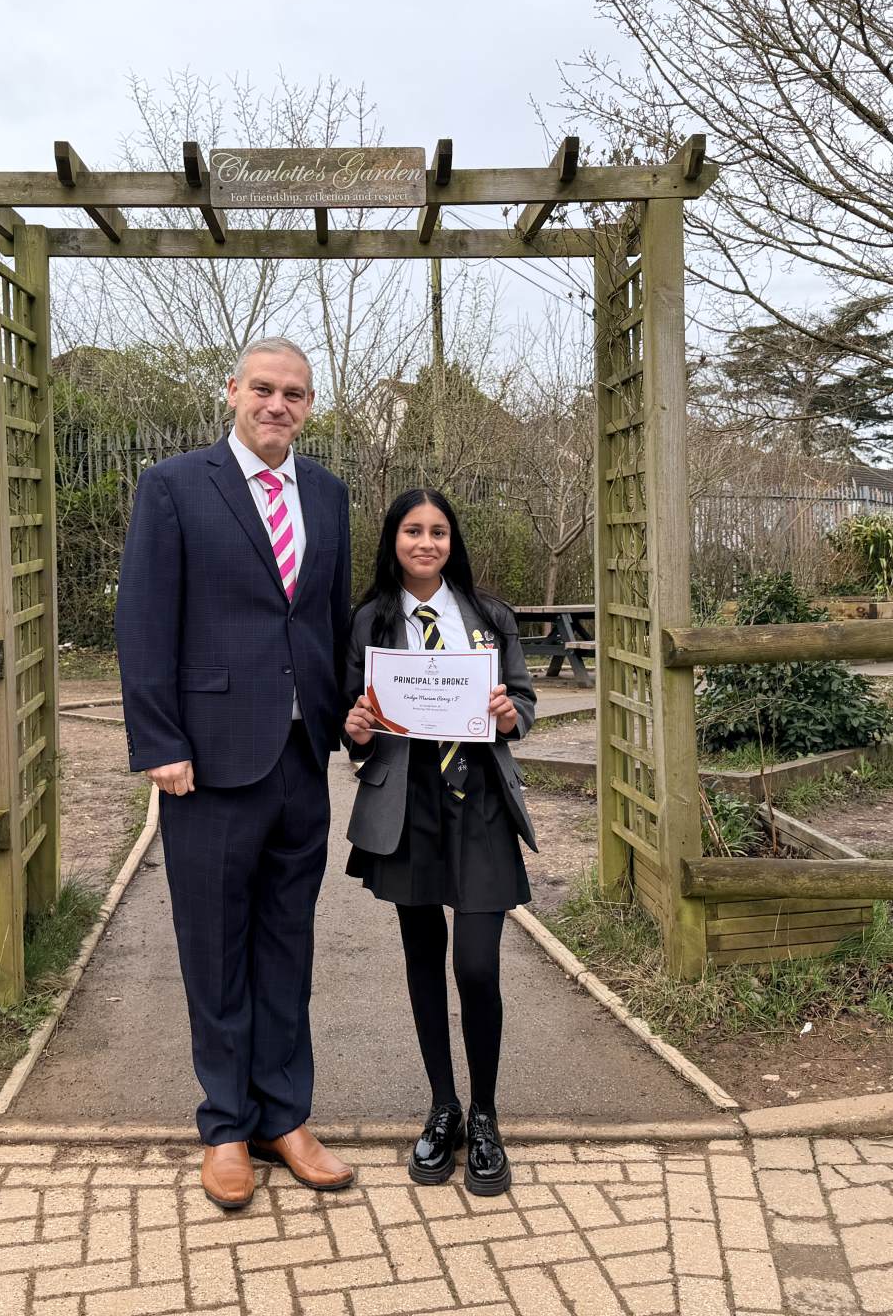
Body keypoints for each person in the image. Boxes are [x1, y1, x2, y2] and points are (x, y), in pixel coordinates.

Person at [116, 335, 354, 1212]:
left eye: (295, 392)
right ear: (232, 391)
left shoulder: (327, 495)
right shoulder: (175, 486)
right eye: (263, 388)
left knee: (288, 943)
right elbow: (144, 620)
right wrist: (159, 741)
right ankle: (224, 1126)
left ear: (310, 405)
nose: (277, 404)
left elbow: (330, 623)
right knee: (215, 948)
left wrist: (349, 716)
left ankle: (283, 1118)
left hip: (300, 757)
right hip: (208, 761)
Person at [340, 488, 537, 1197]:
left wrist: (510, 714)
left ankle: (485, 1115)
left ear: (453, 542)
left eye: (439, 532)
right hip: (408, 806)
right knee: (423, 960)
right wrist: (355, 729)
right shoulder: (370, 619)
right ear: (393, 540)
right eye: (413, 531)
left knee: (476, 966)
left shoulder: (489, 615)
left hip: (478, 803)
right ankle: (443, 1107)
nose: (426, 543)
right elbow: (351, 719)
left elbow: (524, 703)